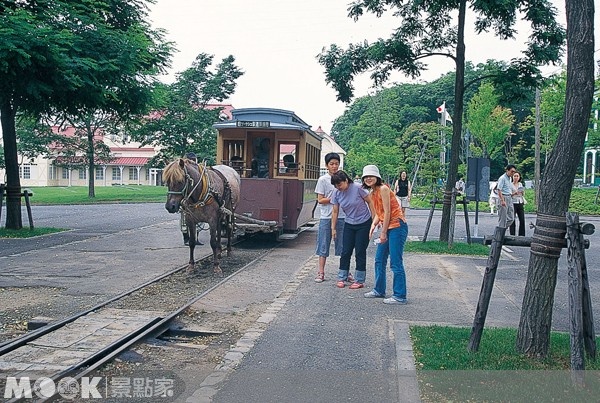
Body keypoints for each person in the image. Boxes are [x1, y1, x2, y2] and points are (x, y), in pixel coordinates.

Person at [361, 164, 409, 305]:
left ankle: (400, 295)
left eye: (371, 176)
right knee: (379, 259)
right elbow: (379, 213)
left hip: (397, 226)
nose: (368, 179)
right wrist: (373, 225)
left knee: (395, 262)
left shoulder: (383, 189)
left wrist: (383, 233)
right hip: (387, 226)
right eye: (366, 177)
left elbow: (387, 212)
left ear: (377, 177)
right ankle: (379, 289)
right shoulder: (372, 193)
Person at [331, 170, 373, 289]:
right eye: (335, 185)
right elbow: (335, 211)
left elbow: (370, 202)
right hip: (349, 223)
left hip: (364, 222)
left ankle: (359, 279)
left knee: (360, 251)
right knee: (345, 251)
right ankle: (342, 277)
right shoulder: (336, 192)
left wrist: (375, 220)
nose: (337, 187)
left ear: (346, 181)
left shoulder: (358, 187)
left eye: (339, 184)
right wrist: (333, 228)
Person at [313, 152, 351, 283]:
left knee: (343, 246)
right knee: (323, 245)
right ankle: (321, 272)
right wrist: (334, 199)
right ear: (326, 165)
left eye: (336, 164)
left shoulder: (343, 178)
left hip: (342, 217)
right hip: (326, 217)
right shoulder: (323, 180)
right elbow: (320, 199)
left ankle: (345, 272)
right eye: (332, 164)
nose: (334, 166)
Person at [181, 152, 203, 246]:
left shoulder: (199, 169)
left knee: (199, 220)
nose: (193, 161)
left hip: (198, 199)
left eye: (194, 159)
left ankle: (196, 238)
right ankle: (186, 238)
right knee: (185, 220)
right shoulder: (183, 170)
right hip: (186, 200)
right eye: (192, 159)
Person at [496, 164, 516, 229]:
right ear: (507, 170)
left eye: (514, 172)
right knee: (503, 218)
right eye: (511, 171)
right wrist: (502, 200)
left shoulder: (509, 178)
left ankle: (502, 229)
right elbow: (499, 189)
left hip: (509, 197)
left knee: (511, 218)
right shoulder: (502, 178)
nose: (513, 173)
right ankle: (500, 233)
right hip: (503, 197)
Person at [509, 171, 526, 236]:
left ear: (519, 177)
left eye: (517, 176)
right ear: (512, 177)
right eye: (515, 176)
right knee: (512, 219)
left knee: (522, 219)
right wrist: (514, 193)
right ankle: (512, 234)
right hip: (513, 202)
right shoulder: (510, 185)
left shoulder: (520, 184)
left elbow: (523, 193)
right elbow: (508, 194)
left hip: (520, 202)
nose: (516, 177)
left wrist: (522, 192)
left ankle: (521, 235)